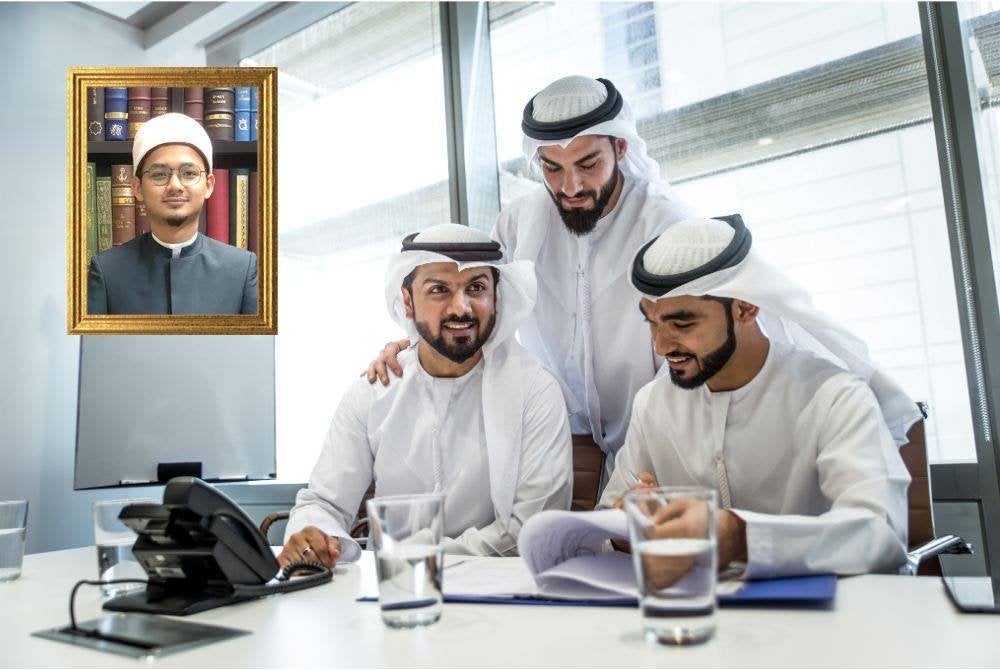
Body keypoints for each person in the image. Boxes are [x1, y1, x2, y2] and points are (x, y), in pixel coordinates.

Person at [367, 76, 700, 482]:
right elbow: (480, 311)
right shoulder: (519, 221)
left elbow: (695, 342)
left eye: (588, 164)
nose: (570, 186)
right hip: (563, 444)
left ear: (621, 147)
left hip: (666, 442)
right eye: (552, 168)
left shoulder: (666, 222)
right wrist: (414, 346)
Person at [600, 214, 920, 577]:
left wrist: (742, 538)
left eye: (682, 324)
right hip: (689, 613)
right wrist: (623, 528)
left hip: (819, 621)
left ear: (746, 308)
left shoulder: (833, 396)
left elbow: (880, 533)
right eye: (652, 322)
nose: (660, 345)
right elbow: (608, 519)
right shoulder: (652, 403)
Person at [280, 224, 573, 568]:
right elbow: (325, 503)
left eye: (477, 288)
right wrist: (314, 536)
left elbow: (532, 529)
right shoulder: (376, 388)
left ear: (496, 299)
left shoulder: (534, 391)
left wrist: (413, 556)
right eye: (439, 290)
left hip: (500, 596)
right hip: (392, 599)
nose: (460, 308)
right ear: (407, 302)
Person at [87, 112, 257, 315]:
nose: (175, 185)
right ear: (137, 188)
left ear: (209, 186)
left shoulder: (241, 269)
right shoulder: (107, 270)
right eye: (159, 174)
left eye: (189, 174)